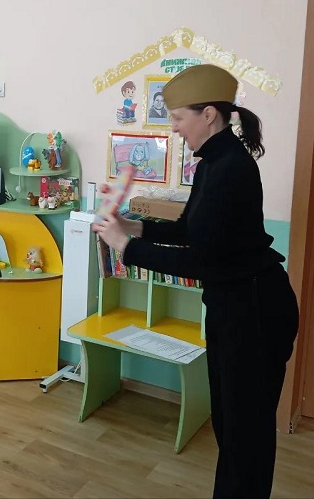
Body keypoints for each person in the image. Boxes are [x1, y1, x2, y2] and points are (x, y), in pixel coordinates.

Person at [93, 64, 299, 498]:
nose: (173, 127)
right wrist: (134, 227)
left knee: (245, 435)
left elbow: (202, 260)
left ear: (208, 115)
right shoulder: (211, 164)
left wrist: (125, 248)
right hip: (231, 306)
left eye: (177, 117)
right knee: (230, 425)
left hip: (255, 310)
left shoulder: (232, 168)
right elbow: (191, 229)